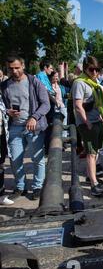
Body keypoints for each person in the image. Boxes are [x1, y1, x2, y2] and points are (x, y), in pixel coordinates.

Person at [0, 56, 50, 201]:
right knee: (15, 159)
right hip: (15, 126)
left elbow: (46, 103)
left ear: (23, 66)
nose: (14, 71)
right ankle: (20, 186)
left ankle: (37, 187)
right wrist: (7, 112)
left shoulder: (34, 82)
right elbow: (2, 106)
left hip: (33, 127)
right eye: (11, 68)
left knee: (37, 159)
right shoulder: (4, 85)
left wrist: (34, 117)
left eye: (17, 68)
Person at [72, 56, 103, 197]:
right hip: (87, 124)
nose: (95, 72)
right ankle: (94, 184)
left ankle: (92, 176)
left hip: (96, 121)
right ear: (85, 68)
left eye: (97, 70)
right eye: (91, 69)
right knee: (90, 153)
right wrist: (86, 122)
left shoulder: (93, 82)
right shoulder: (80, 83)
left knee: (95, 153)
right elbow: (78, 105)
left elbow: (99, 105)